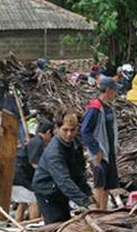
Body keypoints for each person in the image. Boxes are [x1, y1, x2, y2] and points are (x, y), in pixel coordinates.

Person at [33, 113, 91, 224]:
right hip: (48, 191)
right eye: (65, 130)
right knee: (56, 225)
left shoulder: (75, 144)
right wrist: (85, 202)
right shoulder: (54, 152)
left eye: (72, 130)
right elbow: (63, 180)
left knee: (65, 221)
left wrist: (88, 194)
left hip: (61, 191)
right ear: (57, 128)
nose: (69, 134)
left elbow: (79, 172)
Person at [81, 77, 120, 210]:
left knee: (107, 185)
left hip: (109, 152)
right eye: (114, 90)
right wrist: (95, 150)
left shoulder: (109, 108)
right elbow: (85, 131)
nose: (116, 93)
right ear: (108, 90)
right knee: (99, 185)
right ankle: (97, 214)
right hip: (100, 153)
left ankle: (103, 212)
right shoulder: (95, 108)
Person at [12, 120, 54, 222]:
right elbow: (34, 162)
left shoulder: (34, 141)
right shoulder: (37, 142)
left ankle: (18, 224)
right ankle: (33, 226)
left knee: (22, 202)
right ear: (48, 132)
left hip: (15, 175)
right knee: (34, 201)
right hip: (23, 176)